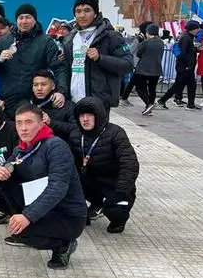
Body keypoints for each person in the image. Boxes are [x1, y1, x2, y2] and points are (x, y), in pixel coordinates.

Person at [0, 103, 87, 270]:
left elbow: (57, 188)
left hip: (67, 214)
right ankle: (30, 226)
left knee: (22, 232)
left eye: (29, 122)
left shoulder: (56, 146)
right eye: (19, 123)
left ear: (41, 124)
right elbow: (4, 170)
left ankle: (63, 245)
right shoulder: (20, 149)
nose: (23, 128)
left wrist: (27, 216)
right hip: (41, 205)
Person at [53, 97, 139, 233]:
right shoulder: (75, 135)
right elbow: (68, 164)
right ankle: (85, 212)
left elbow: (130, 165)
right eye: (81, 115)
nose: (85, 119)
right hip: (90, 182)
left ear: (99, 115)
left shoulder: (116, 133)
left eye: (89, 115)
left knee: (115, 208)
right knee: (66, 192)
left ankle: (118, 220)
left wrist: (121, 191)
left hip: (113, 183)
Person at [0, 4, 68, 116]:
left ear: (35, 20)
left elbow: (59, 68)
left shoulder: (46, 41)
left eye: (28, 17)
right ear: (16, 20)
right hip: (7, 102)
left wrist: (61, 91)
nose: (24, 21)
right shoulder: (6, 40)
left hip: (34, 101)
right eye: (21, 18)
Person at [63, 0, 134, 115]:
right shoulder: (71, 38)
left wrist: (100, 58)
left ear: (95, 13)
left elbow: (127, 65)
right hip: (73, 102)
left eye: (87, 10)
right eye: (78, 11)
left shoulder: (111, 36)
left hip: (98, 103)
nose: (82, 15)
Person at [157, 20, 202, 111]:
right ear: (192, 29)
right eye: (197, 28)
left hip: (186, 66)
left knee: (189, 85)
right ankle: (162, 100)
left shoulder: (188, 37)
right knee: (179, 85)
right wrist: (187, 65)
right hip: (185, 66)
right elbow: (184, 53)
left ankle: (190, 104)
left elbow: (188, 51)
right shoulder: (186, 38)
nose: (198, 30)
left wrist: (195, 49)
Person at [131, 23, 164, 115]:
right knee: (152, 89)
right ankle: (149, 107)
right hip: (156, 69)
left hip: (143, 69)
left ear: (148, 32)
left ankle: (148, 104)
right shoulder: (161, 42)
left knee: (140, 88)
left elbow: (139, 54)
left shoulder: (146, 42)